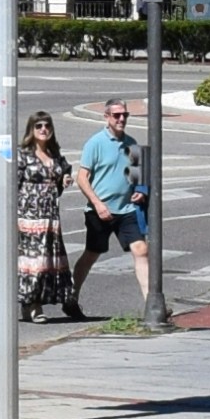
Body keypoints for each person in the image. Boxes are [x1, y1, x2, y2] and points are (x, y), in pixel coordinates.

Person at [76, 101, 155, 321]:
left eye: (125, 115)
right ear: (106, 117)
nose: (121, 119)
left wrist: (141, 191)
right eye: (117, 115)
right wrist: (98, 204)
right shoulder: (95, 143)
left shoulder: (132, 143)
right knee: (92, 254)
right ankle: (71, 297)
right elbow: (82, 178)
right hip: (99, 211)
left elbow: (139, 176)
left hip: (127, 210)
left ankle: (151, 304)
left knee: (141, 250)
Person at [14, 109, 77, 321]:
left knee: (47, 261)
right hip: (28, 217)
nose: (44, 129)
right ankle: (33, 306)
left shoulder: (55, 154)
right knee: (35, 262)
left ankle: (32, 303)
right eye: (39, 126)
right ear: (31, 130)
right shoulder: (23, 154)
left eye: (47, 126)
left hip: (50, 217)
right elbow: (13, 185)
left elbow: (65, 171)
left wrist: (65, 179)